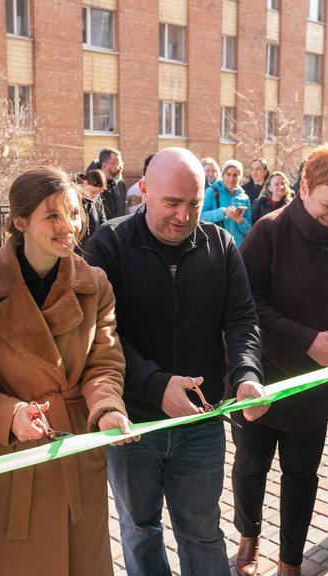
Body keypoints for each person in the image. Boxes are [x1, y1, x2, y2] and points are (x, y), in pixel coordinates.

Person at [84, 147, 265, 576]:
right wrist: (153, 384)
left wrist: (246, 375)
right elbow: (97, 334)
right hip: (133, 425)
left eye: (195, 203)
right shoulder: (107, 245)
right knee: (139, 529)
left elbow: (242, 320)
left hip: (202, 423)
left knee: (202, 532)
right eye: (172, 203)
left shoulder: (220, 245)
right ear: (144, 190)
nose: (184, 216)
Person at [0, 167, 133, 575]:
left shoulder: (95, 285)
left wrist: (107, 408)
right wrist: (10, 415)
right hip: (7, 454)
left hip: (73, 446)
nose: (69, 226)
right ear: (20, 222)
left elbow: (104, 362)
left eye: (74, 213)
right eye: (53, 215)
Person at [235, 144, 328, 576]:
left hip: (314, 385)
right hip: (261, 376)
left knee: (302, 475)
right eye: (327, 204)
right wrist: (306, 340)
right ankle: (248, 536)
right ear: (304, 187)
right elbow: (246, 305)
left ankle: (291, 560)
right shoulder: (270, 231)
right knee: (251, 467)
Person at [202, 159, 252, 247]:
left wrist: (240, 221)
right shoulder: (211, 192)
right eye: (228, 174)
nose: (231, 178)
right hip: (215, 246)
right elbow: (200, 217)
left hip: (237, 248)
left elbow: (249, 231)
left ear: (240, 177)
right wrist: (224, 212)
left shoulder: (245, 198)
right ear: (222, 175)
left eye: (235, 175)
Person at [92, 148, 128, 219]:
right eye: (118, 163)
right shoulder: (94, 186)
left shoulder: (120, 184)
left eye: (121, 163)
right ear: (105, 165)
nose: (121, 167)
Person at [76, 168, 108, 244]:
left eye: (99, 192)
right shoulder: (74, 201)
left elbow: (103, 224)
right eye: (94, 192)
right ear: (85, 184)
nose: (96, 195)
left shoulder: (98, 200)